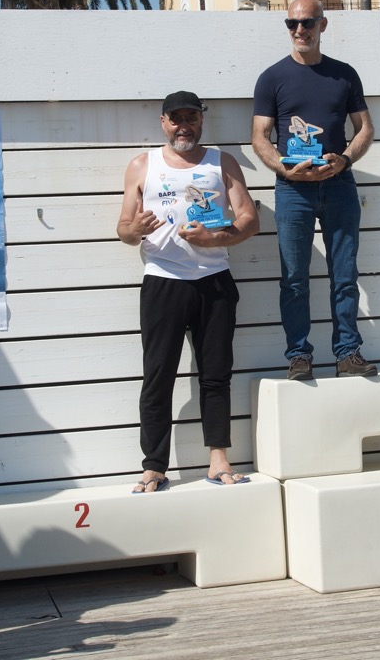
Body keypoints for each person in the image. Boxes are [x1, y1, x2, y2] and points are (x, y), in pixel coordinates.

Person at [116, 91, 260, 492]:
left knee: (216, 375)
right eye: (176, 119)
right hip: (162, 280)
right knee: (157, 376)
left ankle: (219, 460)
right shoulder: (142, 165)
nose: (184, 126)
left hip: (214, 281)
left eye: (191, 118)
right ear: (163, 122)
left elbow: (249, 220)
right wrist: (135, 230)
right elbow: (124, 228)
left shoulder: (222, 162)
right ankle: (153, 466)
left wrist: (216, 239)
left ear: (201, 121)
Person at [252, 0, 377, 381]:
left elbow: (365, 129)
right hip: (293, 191)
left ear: (323, 25)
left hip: (338, 185)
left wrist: (346, 160)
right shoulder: (272, 78)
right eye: (292, 24)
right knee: (293, 278)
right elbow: (259, 136)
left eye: (307, 22)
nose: (300, 30)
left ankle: (348, 354)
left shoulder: (345, 75)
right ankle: (298, 357)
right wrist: (286, 171)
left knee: (345, 274)